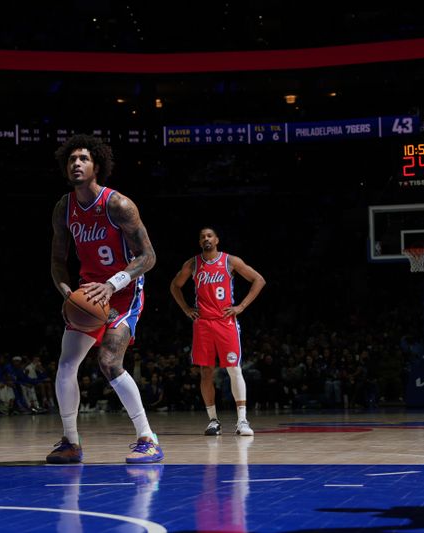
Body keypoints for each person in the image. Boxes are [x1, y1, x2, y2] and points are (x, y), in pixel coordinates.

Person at [47, 134, 163, 464]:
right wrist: (66, 290)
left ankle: (148, 438)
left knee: (109, 362)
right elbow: (57, 260)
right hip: (88, 292)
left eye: (83, 158)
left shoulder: (118, 205)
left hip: (123, 292)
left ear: (97, 165)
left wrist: (112, 284)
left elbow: (149, 256)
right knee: (66, 365)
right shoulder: (63, 208)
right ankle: (71, 442)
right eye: (71, 160)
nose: (77, 164)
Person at [170, 226, 265, 437]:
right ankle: (213, 420)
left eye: (209, 235)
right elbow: (175, 286)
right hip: (203, 324)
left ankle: (242, 420)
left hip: (226, 323)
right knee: (205, 372)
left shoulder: (230, 261)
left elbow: (259, 280)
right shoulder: (192, 264)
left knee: (233, 369)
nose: (206, 238)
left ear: (217, 240)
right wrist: (186, 308)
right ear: (199, 242)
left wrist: (241, 307)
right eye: (202, 236)